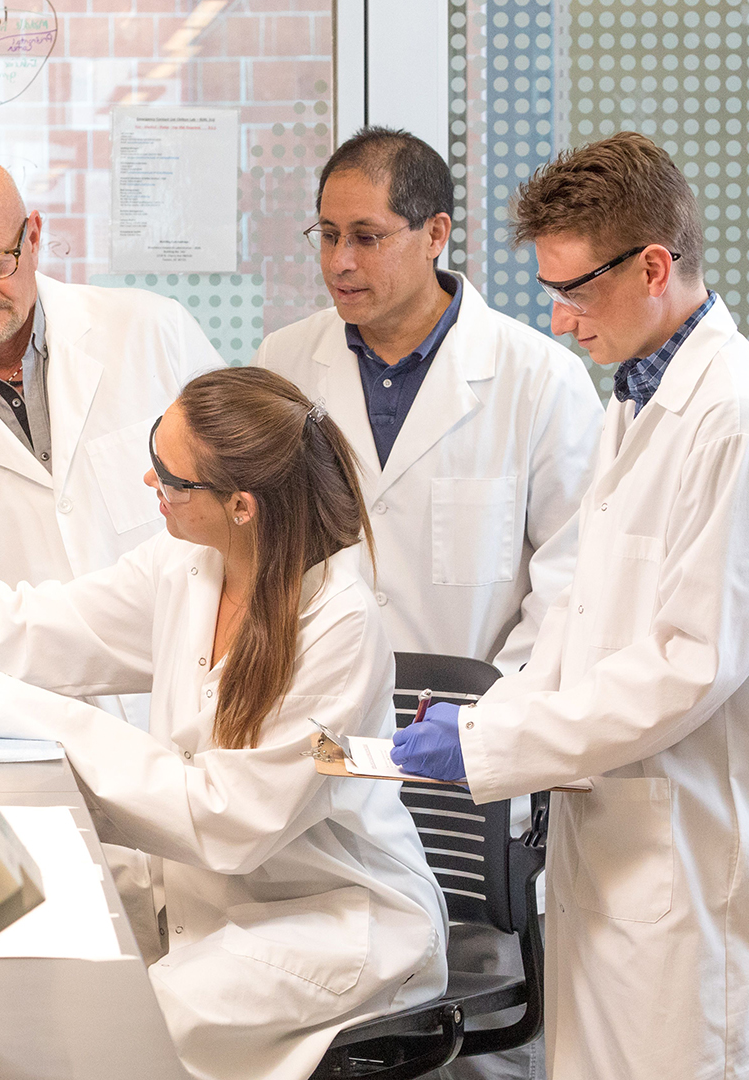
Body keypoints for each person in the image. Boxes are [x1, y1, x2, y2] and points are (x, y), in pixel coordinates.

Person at [0, 368, 447, 1080]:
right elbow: (30, 631)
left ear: (241, 506)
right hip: (210, 906)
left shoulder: (339, 624)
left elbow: (231, 820)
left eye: (172, 478)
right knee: (23, 987)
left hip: (329, 925)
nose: (150, 482)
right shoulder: (190, 567)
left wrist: (26, 710)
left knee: (105, 1032)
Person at [390, 132, 749, 1078]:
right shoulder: (635, 404)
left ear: (653, 266)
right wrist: (497, 710)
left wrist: (489, 750)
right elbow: (587, 621)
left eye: (573, 293)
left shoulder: (739, 427)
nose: (559, 324)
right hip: (621, 872)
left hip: (697, 893)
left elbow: (685, 669)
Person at [254, 127, 603, 1080]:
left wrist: (499, 717)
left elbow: (571, 582)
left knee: (476, 1016)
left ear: (436, 232)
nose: (341, 262)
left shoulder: (538, 378)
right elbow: (262, 556)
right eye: (325, 236)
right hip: (329, 743)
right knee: (336, 1008)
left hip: (472, 757)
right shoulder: (286, 365)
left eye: (366, 236)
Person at [0, 155, 224, 714]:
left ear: (33, 237)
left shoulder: (154, 332)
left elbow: (255, 507)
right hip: (33, 730)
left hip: (190, 704)